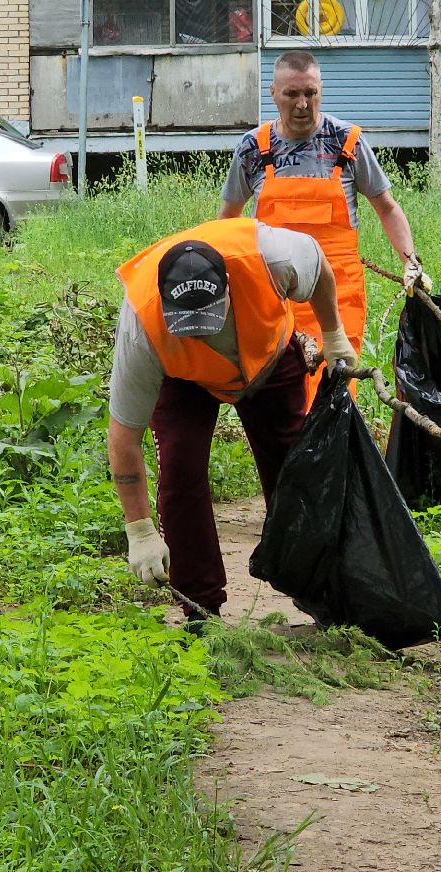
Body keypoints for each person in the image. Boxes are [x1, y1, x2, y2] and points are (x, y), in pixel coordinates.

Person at [109, 216, 356, 623]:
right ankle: (200, 608)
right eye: (188, 326)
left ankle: (319, 590)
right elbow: (123, 437)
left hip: (269, 355)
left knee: (294, 466)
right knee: (181, 469)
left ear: (227, 285)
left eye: (209, 320)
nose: (201, 337)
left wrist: (333, 333)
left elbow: (319, 267)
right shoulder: (142, 324)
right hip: (183, 379)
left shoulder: (271, 257)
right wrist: (139, 530)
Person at [218, 51, 431, 403]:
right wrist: (220, 275)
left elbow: (387, 207)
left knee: (335, 391)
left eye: (311, 93)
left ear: (321, 90)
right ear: (273, 93)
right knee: (280, 393)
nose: (302, 104)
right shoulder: (253, 148)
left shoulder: (347, 143)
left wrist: (411, 262)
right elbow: (227, 220)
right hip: (273, 294)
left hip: (339, 295)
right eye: (292, 94)